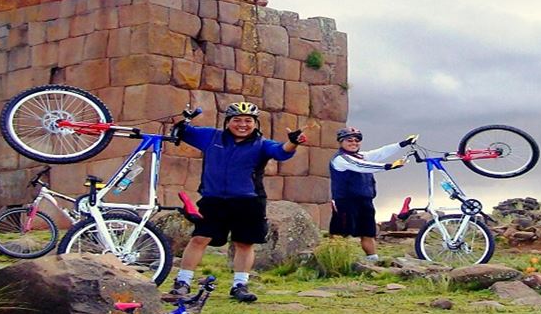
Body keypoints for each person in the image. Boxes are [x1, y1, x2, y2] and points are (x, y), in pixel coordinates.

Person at [168, 101, 307, 303]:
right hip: (213, 199)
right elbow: (184, 131)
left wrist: (293, 141)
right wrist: (182, 120)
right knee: (200, 239)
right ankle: (182, 282)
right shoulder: (211, 137)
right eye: (237, 120)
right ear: (228, 122)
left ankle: (239, 285)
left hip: (248, 200)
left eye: (248, 120)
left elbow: (281, 151)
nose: (242, 124)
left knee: (244, 243)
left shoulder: (262, 145)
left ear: (256, 123)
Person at [328, 127, 416, 260]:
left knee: (367, 232)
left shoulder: (362, 156)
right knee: (340, 232)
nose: (354, 143)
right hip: (345, 201)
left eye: (357, 140)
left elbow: (381, 152)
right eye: (349, 140)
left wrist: (403, 144)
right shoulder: (340, 159)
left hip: (365, 199)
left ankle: (372, 259)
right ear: (341, 142)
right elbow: (362, 166)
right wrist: (388, 166)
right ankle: (333, 259)